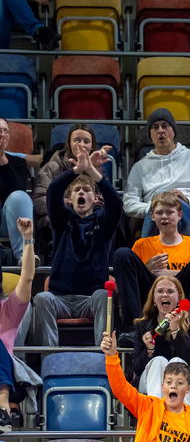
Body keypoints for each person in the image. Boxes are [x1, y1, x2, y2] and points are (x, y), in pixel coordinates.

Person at [32, 148, 119, 347]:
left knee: (102, 296)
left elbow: (115, 202)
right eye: (77, 190)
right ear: (69, 199)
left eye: (86, 190)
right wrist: (76, 170)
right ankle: (48, 358)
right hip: (59, 298)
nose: (81, 192)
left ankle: (103, 355)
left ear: (95, 198)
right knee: (42, 298)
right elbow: (53, 191)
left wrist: (92, 171)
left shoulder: (103, 222)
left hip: (90, 299)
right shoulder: (62, 221)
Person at [111, 191, 190, 331]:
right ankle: (133, 328)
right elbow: (134, 280)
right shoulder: (141, 244)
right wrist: (147, 268)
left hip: (183, 290)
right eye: (159, 213)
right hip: (151, 290)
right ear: (152, 216)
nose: (164, 217)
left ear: (180, 215)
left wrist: (168, 274)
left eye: (169, 212)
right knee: (122, 254)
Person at [123, 109, 190, 237]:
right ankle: (152, 247)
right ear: (150, 135)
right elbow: (129, 204)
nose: (160, 130)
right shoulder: (139, 167)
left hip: (187, 214)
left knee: (176, 204)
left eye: (165, 126)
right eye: (155, 127)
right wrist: (155, 206)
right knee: (160, 208)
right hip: (154, 218)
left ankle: (180, 247)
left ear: (173, 131)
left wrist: (187, 199)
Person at [125, 276, 190, 408]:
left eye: (170, 291)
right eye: (160, 291)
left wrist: (175, 330)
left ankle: (183, 418)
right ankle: (157, 413)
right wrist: (149, 350)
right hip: (151, 378)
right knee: (158, 361)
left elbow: (188, 358)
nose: (165, 295)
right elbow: (137, 369)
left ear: (179, 298)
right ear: (154, 299)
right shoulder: (142, 325)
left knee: (176, 362)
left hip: (186, 378)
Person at [33, 123, 101, 229]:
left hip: (89, 217)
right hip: (60, 217)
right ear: (69, 143)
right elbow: (39, 202)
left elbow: (106, 200)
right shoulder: (52, 167)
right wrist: (70, 204)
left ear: (92, 146)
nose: (81, 145)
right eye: (77, 140)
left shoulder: (97, 170)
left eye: (86, 141)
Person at [0, 214, 33, 431]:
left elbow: (27, 278)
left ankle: (2, 408)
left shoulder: (8, 310)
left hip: (7, 379)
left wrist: (27, 239)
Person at [0, 117, 34, 260]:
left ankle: (25, 256)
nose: (2, 134)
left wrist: (2, 159)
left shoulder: (18, 162)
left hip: (7, 220)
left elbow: (16, 189)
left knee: (19, 196)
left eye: (5, 131)